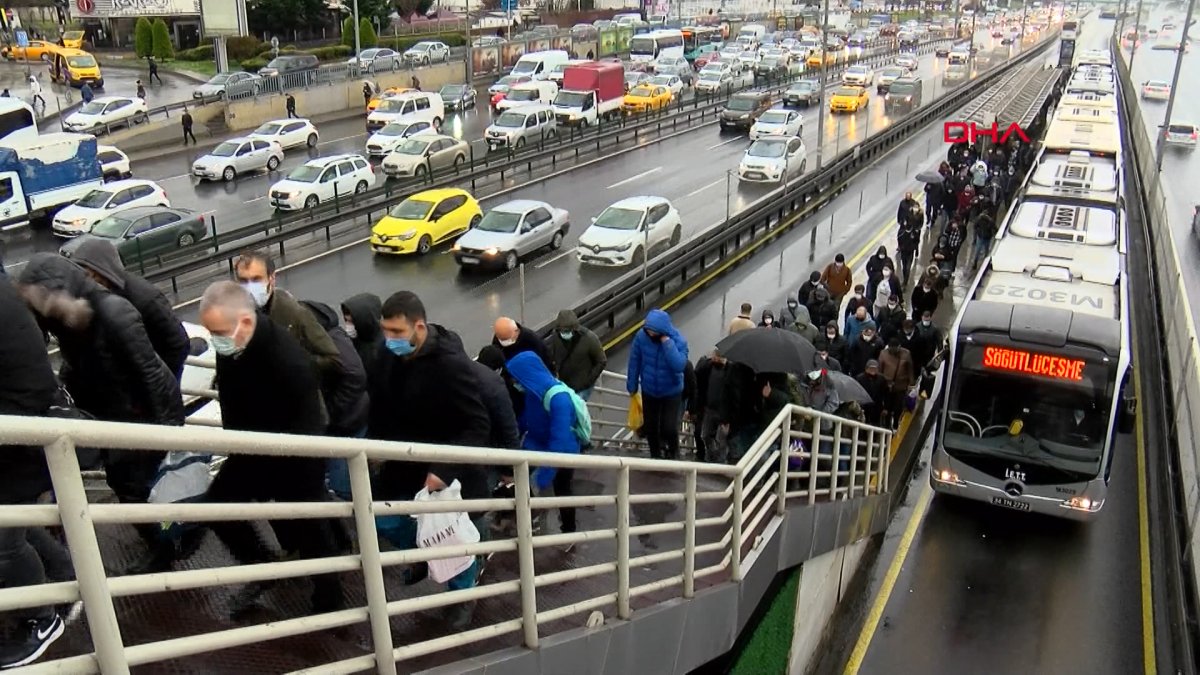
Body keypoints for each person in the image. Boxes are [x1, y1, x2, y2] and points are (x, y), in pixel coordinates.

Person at [196, 281, 344, 617]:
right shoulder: (233, 345)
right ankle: (262, 565)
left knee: (312, 531)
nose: (215, 340)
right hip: (252, 448)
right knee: (217, 506)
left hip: (296, 457)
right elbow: (233, 397)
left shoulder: (289, 360)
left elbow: (306, 425)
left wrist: (291, 481)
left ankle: (329, 600)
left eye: (218, 331)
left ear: (245, 322)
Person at [18, 254, 183, 509]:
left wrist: (167, 433)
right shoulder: (68, 319)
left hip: (140, 416)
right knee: (127, 485)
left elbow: (149, 374)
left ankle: (168, 537)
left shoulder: (113, 312)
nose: (46, 308)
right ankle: (161, 533)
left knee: (136, 488)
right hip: (116, 415)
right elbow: (76, 365)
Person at [368, 291, 491, 630]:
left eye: (396, 332)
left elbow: (477, 424)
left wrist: (443, 469)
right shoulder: (389, 354)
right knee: (383, 521)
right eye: (385, 331)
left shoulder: (450, 365)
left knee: (449, 538)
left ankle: (462, 595)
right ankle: (426, 555)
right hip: (400, 462)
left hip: (442, 470)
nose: (388, 339)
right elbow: (380, 400)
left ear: (419, 327)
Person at [0, 279, 70, 669]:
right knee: (19, 522)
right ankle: (64, 573)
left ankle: (42, 620)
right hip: (24, 434)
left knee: (4, 542)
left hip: (20, 439)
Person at [66, 238, 190, 380]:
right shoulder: (90, 295)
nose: (83, 280)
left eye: (87, 273)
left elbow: (178, 344)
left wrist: (156, 379)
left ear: (99, 272)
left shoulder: (145, 299)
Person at [506, 352, 582, 546]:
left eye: (516, 378)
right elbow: (526, 420)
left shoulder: (559, 398)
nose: (515, 382)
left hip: (563, 452)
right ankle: (527, 519)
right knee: (516, 478)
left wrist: (545, 474)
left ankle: (569, 533)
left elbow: (559, 440)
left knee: (562, 490)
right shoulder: (533, 393)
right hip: (536, 444)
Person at [299, 300, 370, 499]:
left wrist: (330, 410)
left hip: (346, 425)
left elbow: (355, 377)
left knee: (344, 486)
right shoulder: (326, 339)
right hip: (341, 423)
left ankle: (359, 524)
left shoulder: (332, 341)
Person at [233, 251, 340, 378]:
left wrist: (295, 364)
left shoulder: (294, 313)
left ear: (271, 278)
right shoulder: (236, 314)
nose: (250, 287)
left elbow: (333, 359)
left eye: (256, 279)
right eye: (243, 281)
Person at [626, 309, 689, 460]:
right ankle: (656, 456)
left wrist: (667, 343)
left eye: (654, 331)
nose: (650, 334)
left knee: (669, 428)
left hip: (671, 391)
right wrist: (632, 385)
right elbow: (635, 361)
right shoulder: (641, 337)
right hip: (649, 390)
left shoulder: (678, 341)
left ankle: (674, 453)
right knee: (650, 427)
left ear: (663, 331)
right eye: (648, 330)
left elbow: (679, 365)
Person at [545, 309, 606, 400]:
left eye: (567, 330)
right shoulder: (556, 337)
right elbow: (553, 355)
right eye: (562, 330)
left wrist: (588, 381)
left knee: (575, 410)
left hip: (582, 387)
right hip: (565, 384)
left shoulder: (589, 339)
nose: (564, 333)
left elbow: (601, 361)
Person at [692, 349, 730, 463]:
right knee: (706, 435)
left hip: (723, 410)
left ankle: (720, 460)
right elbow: (697, 375)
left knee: (722, 438)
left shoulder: (730, 371)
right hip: (709, 408)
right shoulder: (708, 368)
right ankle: (712, 456)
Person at [341, 293, 384, 373]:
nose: (348, 326)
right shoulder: (350, 341)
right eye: (346, 320)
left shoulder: (384, 347)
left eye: (352, 322)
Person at [878, 336, 915, 429]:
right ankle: (886, 426)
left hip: (901, 386)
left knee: (898, 407)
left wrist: (912, 384)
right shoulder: (883, 354)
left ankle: (895, 426)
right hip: (888, 387)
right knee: (887, 408)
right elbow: (880, 371)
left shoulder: (906, 354)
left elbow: (910, 370)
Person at [854, 359, 887, 426]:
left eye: (875, 368)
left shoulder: (882, 379)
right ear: (866, 368)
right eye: (871, 368)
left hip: (877, 406)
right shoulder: (860, 378)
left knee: (875, 424)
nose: (873, 370)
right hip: (863, 405)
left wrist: (885, 408)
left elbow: (886, 394)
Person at [896, 218, 921, 285]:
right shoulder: (902, 233)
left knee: (908, 268)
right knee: (904, 267)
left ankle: (905, 282)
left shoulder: (914, 233)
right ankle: (905, 278)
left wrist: (914, 248)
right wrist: (901, 247)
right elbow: (899, 240)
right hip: (904, 253)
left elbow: (917, 240)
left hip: (910, 253)